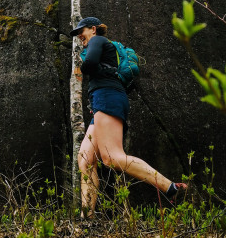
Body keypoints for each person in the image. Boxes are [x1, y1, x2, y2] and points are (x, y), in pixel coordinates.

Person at [70, 17, 187, 218]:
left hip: (107, 96)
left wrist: (96, 69)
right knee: (86, 159)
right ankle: (86, 218)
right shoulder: (100, 45)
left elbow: (88, 65)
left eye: (82, 30)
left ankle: (171, 188)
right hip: (103, 100)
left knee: (112, 157)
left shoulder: (97, 40)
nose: (80, 36)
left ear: (94, 29)